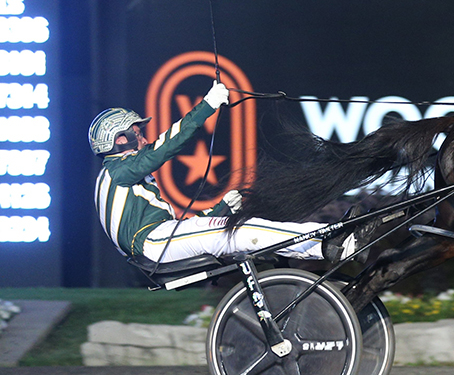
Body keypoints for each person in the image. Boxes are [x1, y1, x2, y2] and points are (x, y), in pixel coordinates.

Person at [89, 81, 367, 266]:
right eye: (138, 134)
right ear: (120, 140)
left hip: (158, 242)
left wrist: (220, 208)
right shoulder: (119, 170)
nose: (145, 139)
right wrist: (207, 106)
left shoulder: (123, 177)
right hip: (153, 244)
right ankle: (329, 241)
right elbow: (165, 147)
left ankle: (327, 242)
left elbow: (188, 229)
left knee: (239, 228)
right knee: (242, 230)